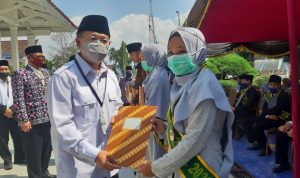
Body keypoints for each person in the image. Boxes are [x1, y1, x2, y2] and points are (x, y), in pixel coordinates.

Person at [138, 27, 234, 178]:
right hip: (183, 163)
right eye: (170, 52)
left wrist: (156, 168)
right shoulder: (183, 84)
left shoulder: (205, 87)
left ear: (199, 51)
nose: (174, 57)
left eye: (182, 51)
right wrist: (165, 127)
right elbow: (187, 125)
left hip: (202, 166)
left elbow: (195, 139)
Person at [47, 15, 123, 178]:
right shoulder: (64, 77)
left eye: (104, 40)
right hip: (79, 170)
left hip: (111, 165)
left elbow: (118, 108)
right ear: (78, 42)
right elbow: (63, 127)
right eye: (93, 38)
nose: (99, 44)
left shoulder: (111, 76)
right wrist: (95, 155)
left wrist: (135, 122)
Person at [12, 45, 54, 178]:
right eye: (39, 57)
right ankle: (35, 175)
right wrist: (24, 119)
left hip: (48, 118)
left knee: (47, 149)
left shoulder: (46, 72)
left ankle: (44, 172)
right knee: (34, 152)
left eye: (43, 57)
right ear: (30, 58)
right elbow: (18, 98)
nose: (42, 59)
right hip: (31, 121)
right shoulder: (20, 73)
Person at [135, 44, 171, 178]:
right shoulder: (155, 75)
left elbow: (153, 110)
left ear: (153, 57)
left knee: (154, 162)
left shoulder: (159, 78)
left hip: (157, 128)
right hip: (153, 127)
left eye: (144, 57)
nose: (142, 61)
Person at [245, 75, 291, 156]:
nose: (273, 86)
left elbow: (276, 110)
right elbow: (264, 108)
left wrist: (264, 112)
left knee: (258, 126)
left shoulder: (284, 96)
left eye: (275, 84)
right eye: (271, 84)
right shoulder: (269, 95)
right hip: (269, 117)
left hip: (280, 118)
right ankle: (256, 141)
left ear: (279, 85)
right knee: (248, 121)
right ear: (268, 85)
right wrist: (266, 115)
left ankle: (264, 148)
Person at [0, 60, 25, 170]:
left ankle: (20, 157)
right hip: (1, 114)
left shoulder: (15, 81)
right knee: (2, 139)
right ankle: (7, 160)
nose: (4, 71)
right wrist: (4, 110)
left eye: (6, 69)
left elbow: (21, 96)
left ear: (9, 69)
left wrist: (12, 109)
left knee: (18, 137)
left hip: (15, 113)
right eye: (1, 69)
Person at [232, 74, 260, 139]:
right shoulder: (243, 89)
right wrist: (233, 106)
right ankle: (232, 131)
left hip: (248, 111)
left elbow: (248, 105)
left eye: (244, 80)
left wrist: (235, 108)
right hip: (241, 109)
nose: (242, 82)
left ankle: (234, 133)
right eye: (242, 80)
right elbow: (238, 100)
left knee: (231, 113)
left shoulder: (253, 91)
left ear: (250, 82)